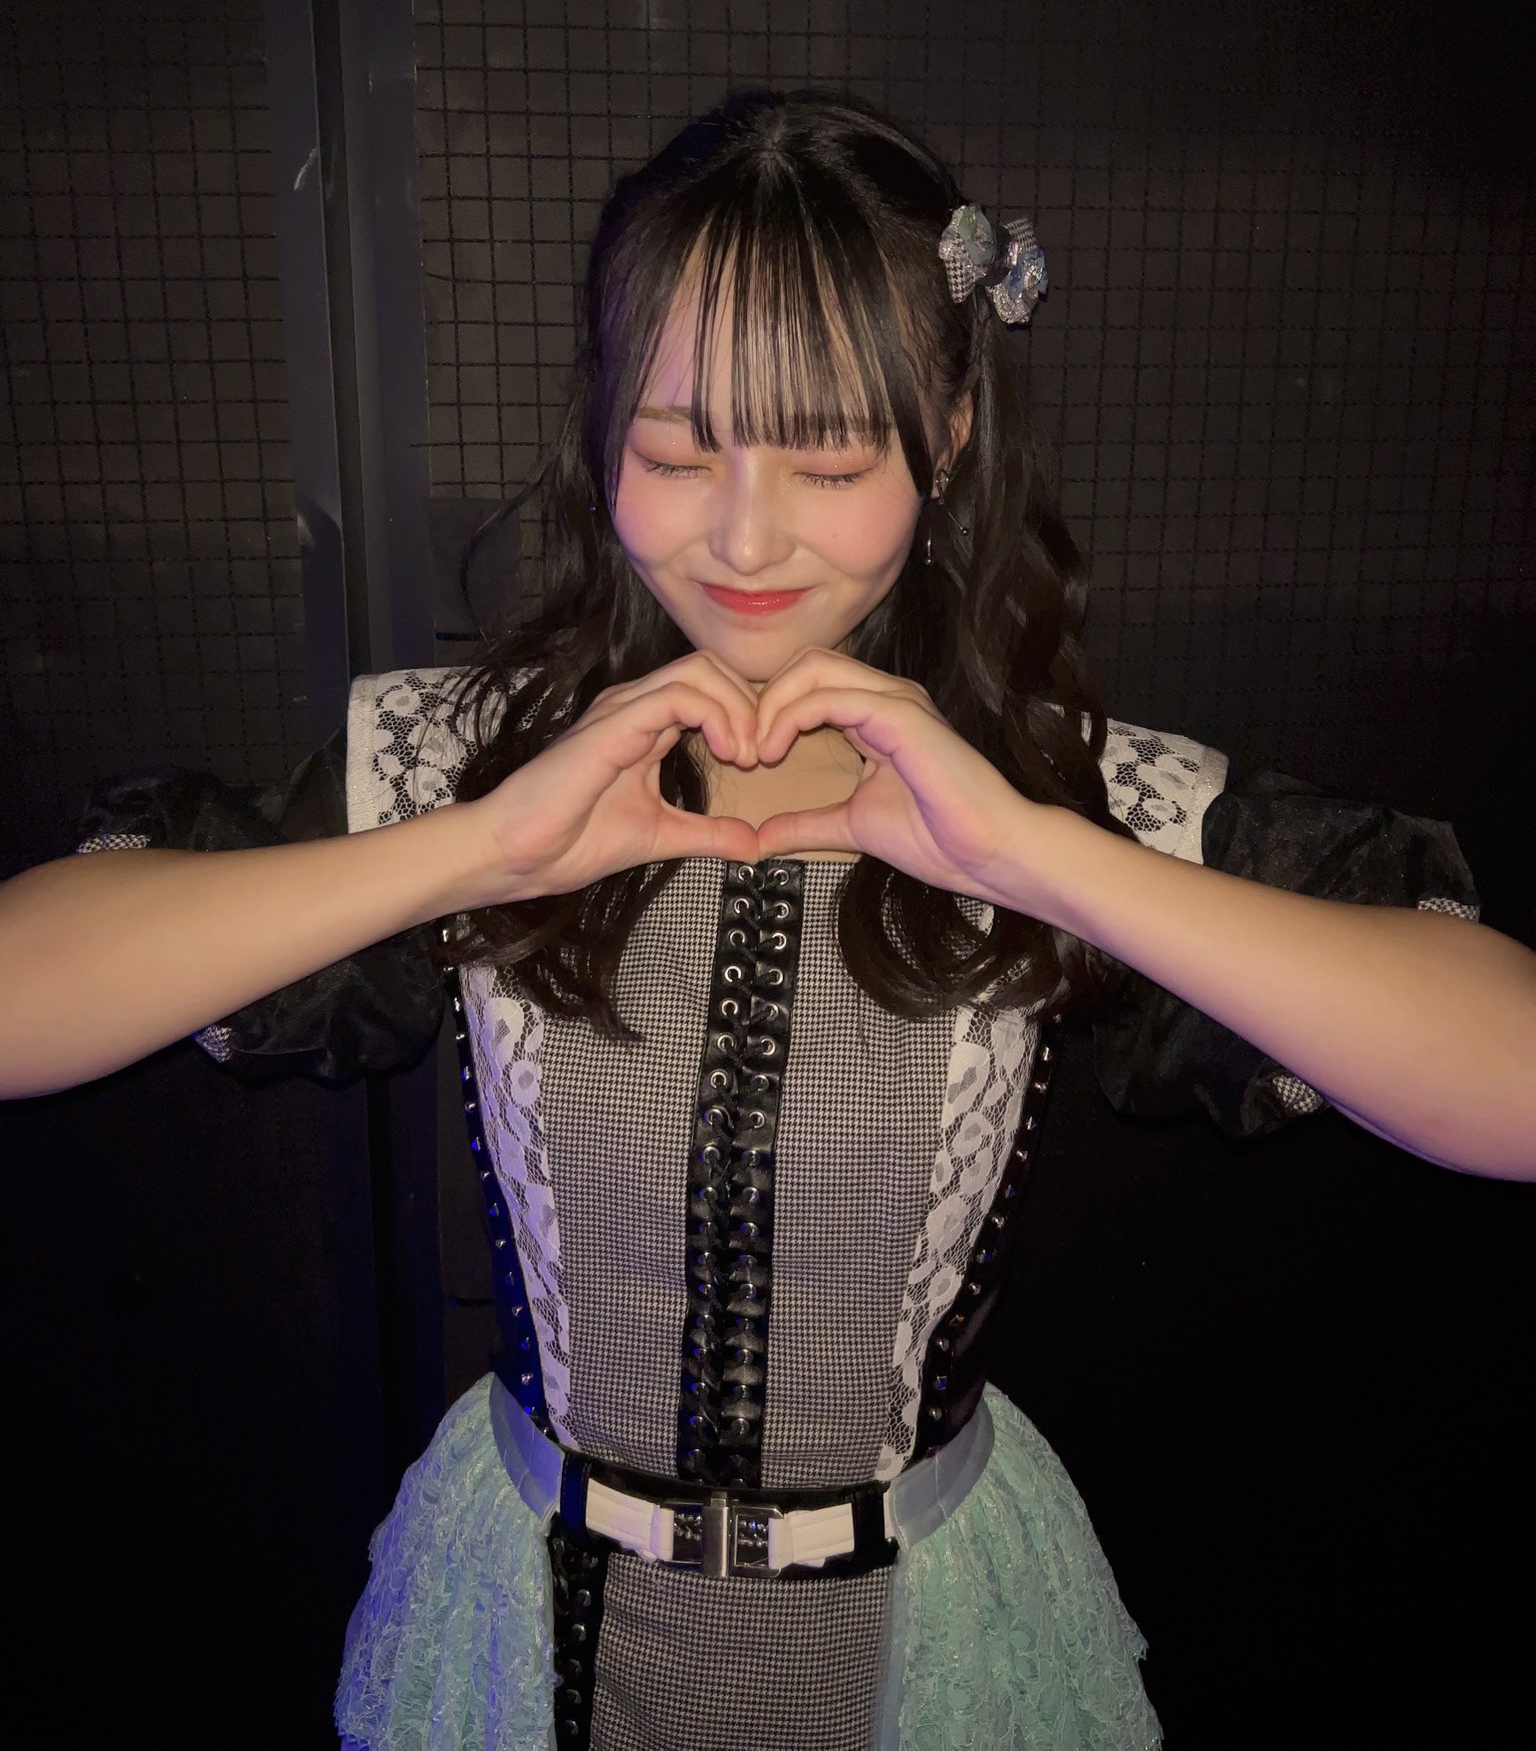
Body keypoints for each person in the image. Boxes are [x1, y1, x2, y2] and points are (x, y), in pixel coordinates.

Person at [2, 90, 1532, 1750]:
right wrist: (475, 850)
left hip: (933, 1634)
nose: (744, 536)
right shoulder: (455, 761)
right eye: (676, 452)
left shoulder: (1074, 793)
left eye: (830, 460)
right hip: (532, 1619)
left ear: (951, 434)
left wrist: (1041, 857)